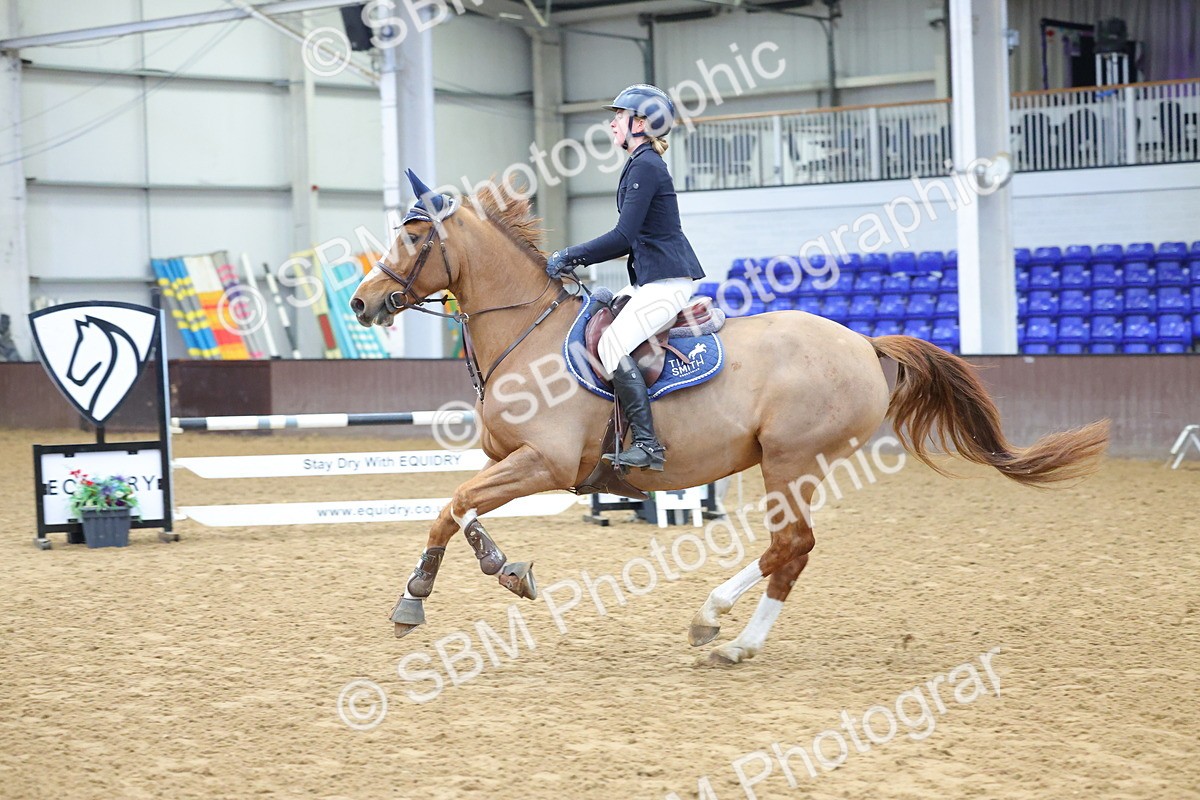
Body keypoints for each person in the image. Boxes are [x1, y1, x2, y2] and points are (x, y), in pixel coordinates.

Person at [546, 84, 705, 472]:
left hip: (667, 281)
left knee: (613, 346)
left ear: (640, 123)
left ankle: (649, 445)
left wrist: (570, 255)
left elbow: (623, 237)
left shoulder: (647, 165)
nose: (612, 122)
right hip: (650, 280)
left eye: (619, 115)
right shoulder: (639, 163)